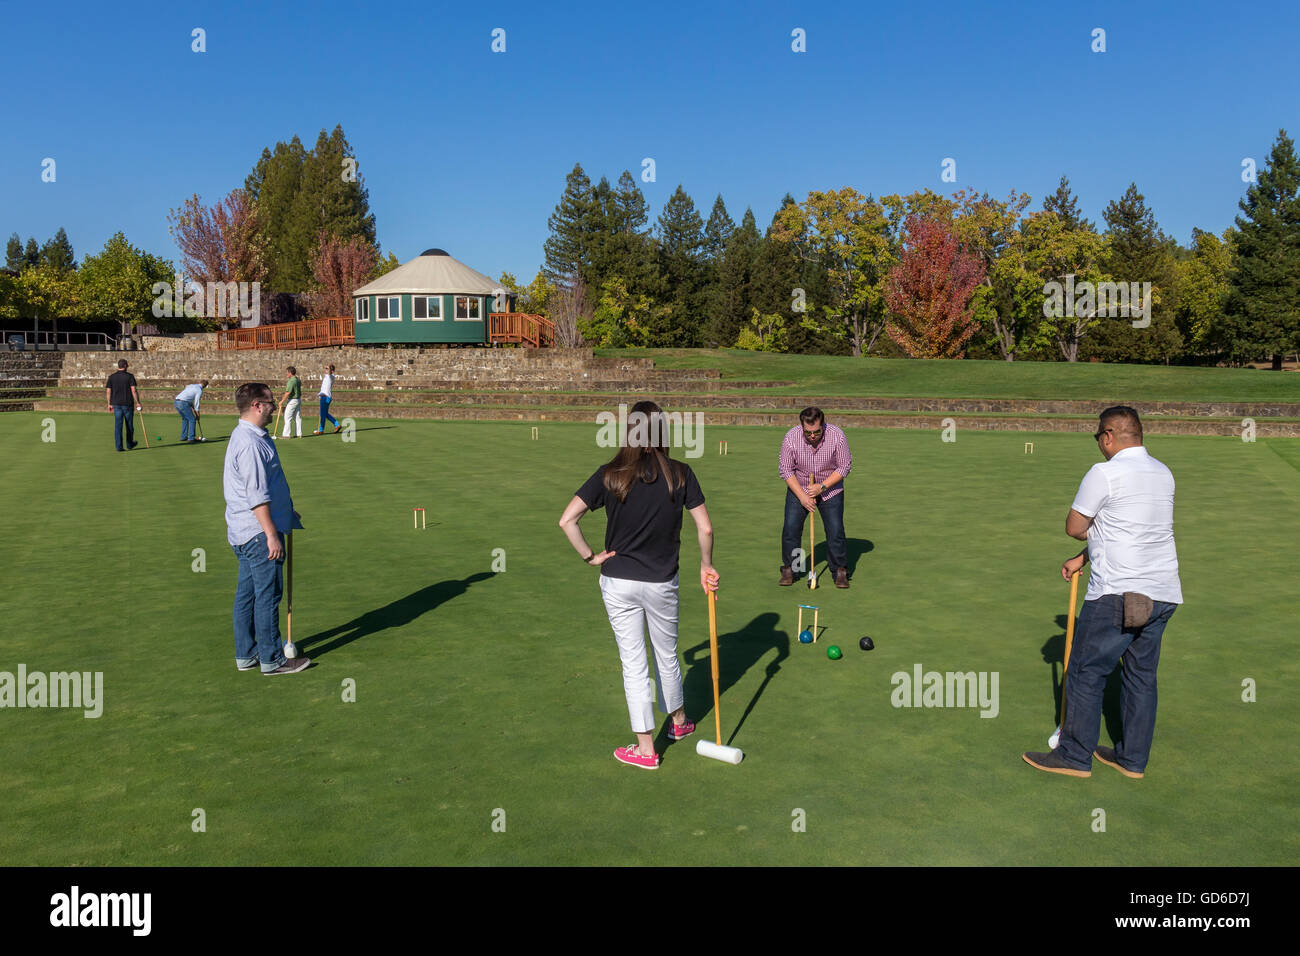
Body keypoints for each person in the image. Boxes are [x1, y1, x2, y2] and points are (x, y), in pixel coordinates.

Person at [559, 400, 718, 770]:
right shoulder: (681, 473)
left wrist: (590, 557)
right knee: (667, 654)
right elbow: (706, 528)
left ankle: (646, 750)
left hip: (618, 581)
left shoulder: (610, 474)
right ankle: (678, 724)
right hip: (662, 581)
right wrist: (706, 565)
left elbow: (567, 520)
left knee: (634, 663)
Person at [1023, 406, 1182, 778]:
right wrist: (1084, 558)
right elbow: (1133, 529)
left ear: (1108, 436)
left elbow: (1075, 525)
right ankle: (1132, 760)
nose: (1098, 444)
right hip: (1164, 593)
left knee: (1085, 671)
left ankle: (1073, 756)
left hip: (1119, 592)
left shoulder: (1104, 473)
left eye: (1098, 437)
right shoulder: (1163, 472)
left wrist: (1085, 542)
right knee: (1141, 676)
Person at [223, 382, 311, 675]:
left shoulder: (247, 435)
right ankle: (272, 659)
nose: (276, 406)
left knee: (247, 594)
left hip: (244, 531)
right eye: (271, 402)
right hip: (258, 533)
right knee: (268, 593)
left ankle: (246, 655)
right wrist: (272, 534)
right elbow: (256, 495)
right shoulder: (250, 443)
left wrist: (286, 509)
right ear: (258, 406)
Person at [777, 407, 854, 588]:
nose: (812, 436)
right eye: (808, 432)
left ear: (823, 426)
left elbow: (844, 467)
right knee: (791, 529)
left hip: (830, 489)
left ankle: (840, 571)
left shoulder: (837, 436)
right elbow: (786, 470)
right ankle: (791, 569)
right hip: (800, 488)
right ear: (802, 426)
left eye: (817, 431)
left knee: (835, 531)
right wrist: (803, 496)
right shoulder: (791, 438)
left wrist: (822, 487)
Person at [104, 358, 142, 452]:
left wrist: (109, 404)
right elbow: (133, 390)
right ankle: (129, 444)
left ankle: (119, 446)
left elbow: (108, 392)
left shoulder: (112, 377)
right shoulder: (130, 376)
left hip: (116, 404)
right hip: (127, 404)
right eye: (127, 365)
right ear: (124, 365)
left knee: (118, 426)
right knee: (129, 425)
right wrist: (138, 402)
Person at [314, 363, 340, 435]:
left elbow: (329, 373)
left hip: (325, 397)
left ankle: (321, 430)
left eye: (327, 368)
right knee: (324, 414)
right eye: (325, 368)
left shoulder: (330, 376)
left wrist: (330, 367)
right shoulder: (327, 376)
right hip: (324, 396)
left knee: (323, 414)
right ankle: (336, 425)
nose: (325, 369)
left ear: (331, 370)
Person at [278, 366, 303, 440]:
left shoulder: (291, 381)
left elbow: (288, 392)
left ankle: (286, 435)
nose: (286, 374)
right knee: (297, 417)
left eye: (287, 372)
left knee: (287, 417)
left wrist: (281, 401)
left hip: (293, 400)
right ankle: (298, 434)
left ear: (290, 373)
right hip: (298, 400)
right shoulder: (298, 380)